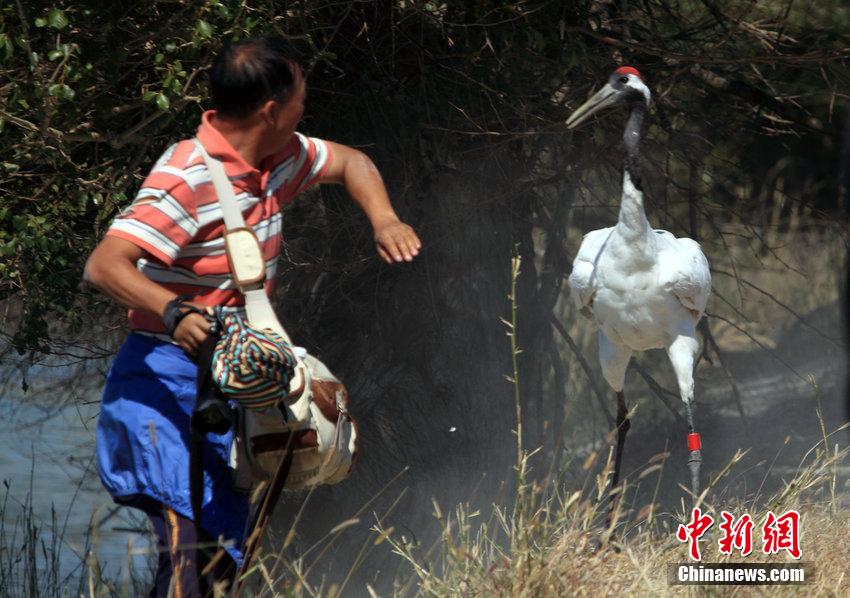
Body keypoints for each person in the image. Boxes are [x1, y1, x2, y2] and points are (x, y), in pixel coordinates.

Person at [84, 36, 421, 597]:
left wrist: (384, 220)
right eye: (300, 103)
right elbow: (104, 264)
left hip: (230, 383)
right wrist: (169, 309)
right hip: (162, 386)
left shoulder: (279, 158)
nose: (304, 111)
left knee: (220, 565)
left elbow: (351, 161)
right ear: (271, 110)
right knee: (189, 547)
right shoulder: (186, 175)